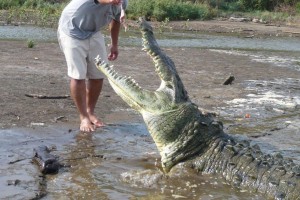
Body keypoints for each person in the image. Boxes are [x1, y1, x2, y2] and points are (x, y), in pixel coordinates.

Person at [57, 0, 127, 133]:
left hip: (93, 32)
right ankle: (83, 117)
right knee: (78, 76)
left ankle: (90, 112)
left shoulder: (123, 2)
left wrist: (114, 44)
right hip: (72, 30)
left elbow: (116, 20)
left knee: (99, 74)